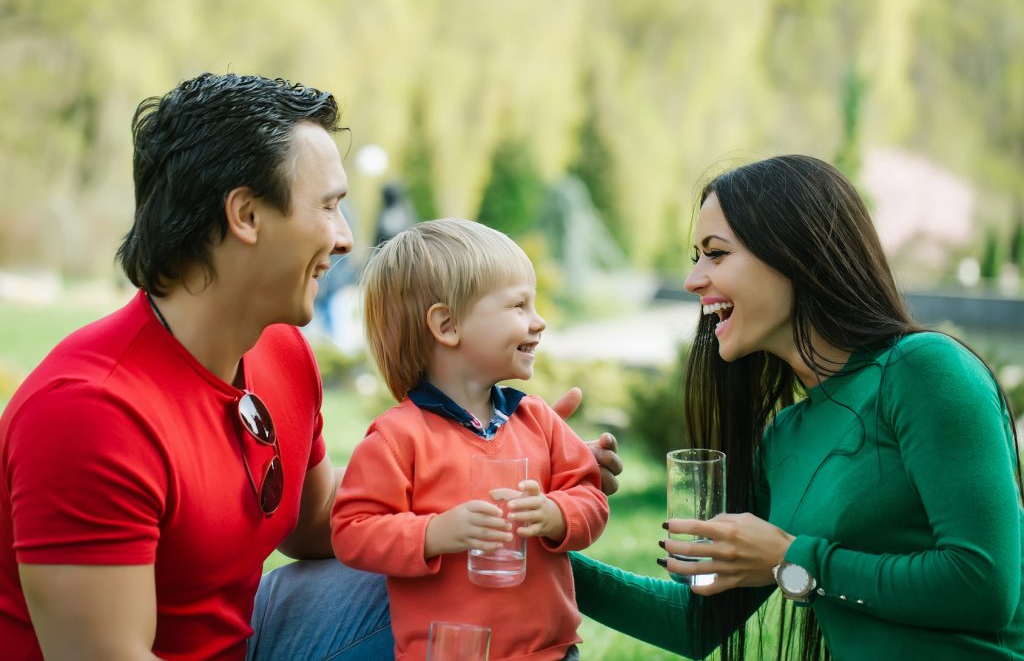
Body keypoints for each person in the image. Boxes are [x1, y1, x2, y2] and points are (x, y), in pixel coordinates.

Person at [0, 73, 623, 661]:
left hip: (254, 632)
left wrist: (495, 461)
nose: (348, 238)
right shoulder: (91, 414)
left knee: (466, 590)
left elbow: (318, 528)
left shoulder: (281, 352)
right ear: (244, 216)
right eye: (328, 207)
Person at [569, 155, 1024, 659]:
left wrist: (791, 559)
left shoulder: (924, 370)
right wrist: (532, 541)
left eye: (716, 254)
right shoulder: (783, 437)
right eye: (696, 257)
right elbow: (696, 624)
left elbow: (985, 587)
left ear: (795, 253)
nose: (693, 280)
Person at [332, 219, 610, 660]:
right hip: (447, 653)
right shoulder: (396, 437)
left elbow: (591, 497)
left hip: (549, 651)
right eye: (518, 306)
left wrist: (556, 512)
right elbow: (352, 532)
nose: (538, 322)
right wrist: (434, 532)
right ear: (446, 324)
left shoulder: (536, 419)